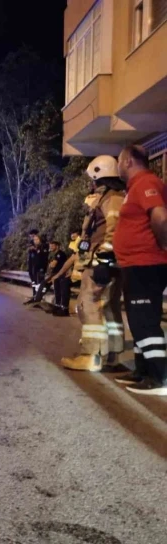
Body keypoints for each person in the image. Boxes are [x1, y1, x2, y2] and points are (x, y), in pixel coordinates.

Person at [62, 155, 126, 372]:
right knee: (109, 308)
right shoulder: (112, 196)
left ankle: (91, 355)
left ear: (99, 176)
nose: (91, 184)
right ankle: (111, 356)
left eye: (93, 179)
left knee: (88, 305)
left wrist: (104, 260)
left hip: (102, 262)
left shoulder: (111, 199)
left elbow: (114, 228)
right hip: (107, 261)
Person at [112, 145, 167, 395]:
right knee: (140, 318)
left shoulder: (146, 182)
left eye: (119, 161)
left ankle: (158, 377)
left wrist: (162, 245)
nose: (118, 166)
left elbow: (161, 217)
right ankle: (142, 371)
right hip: (136, 264)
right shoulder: (135, 187)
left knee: (144, 319)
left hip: (145, 264)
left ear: (129, 161)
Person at [49, 232, 81, 316]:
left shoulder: (84, 249)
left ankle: (64, 308)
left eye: (75, 237)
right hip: (76, 276)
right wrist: (58, 275)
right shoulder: (76, 252)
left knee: (64, 282)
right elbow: (68, 263)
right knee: (59, 280)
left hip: (84, 277)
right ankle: (58, 305)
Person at [29, 240, 68, 307]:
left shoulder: (60, 254)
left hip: (58, 274)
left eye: (53, 245)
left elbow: (53, 265)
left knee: (43, 283)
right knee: (44, 285)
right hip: (55, 273)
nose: (51, 247)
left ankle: (37, 300)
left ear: (57, 246)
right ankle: (37, 299)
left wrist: (51, 263)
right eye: (50, 246)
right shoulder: (55, 254)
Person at [24, 232, 49, 304]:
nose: (35, 241)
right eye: (34, 239)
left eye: (37, 239)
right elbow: (31, 258)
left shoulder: (44, 246)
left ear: (40, 240)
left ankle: (39, 298)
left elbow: (43, 256)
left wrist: (36, 250)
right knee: (34, 282)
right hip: (33, 268)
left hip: (40, 268)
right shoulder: (32, 248)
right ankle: (35, 296)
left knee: (39, 283)